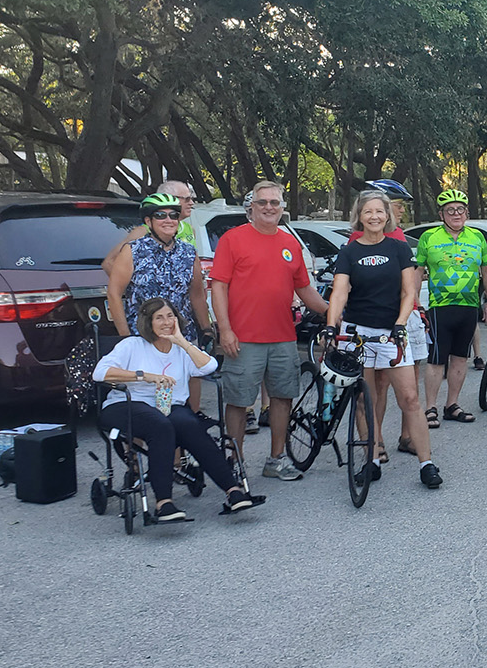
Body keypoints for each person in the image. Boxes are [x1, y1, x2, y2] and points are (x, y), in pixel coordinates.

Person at [93, 297, 255, 520]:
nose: (166, 322)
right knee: (160, 425)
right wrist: (144, 376)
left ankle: (233, 491)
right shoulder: (132, 345)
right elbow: (100, 373)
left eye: (170, 316)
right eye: (159, 317)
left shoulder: (181, 350)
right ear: (147, 322)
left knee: (190, 424)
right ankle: (163, 504)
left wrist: (181, 341)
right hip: (126, 404)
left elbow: (210, 366)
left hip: (167, 405)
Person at [209, 180, 330, 480]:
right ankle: (234, 463)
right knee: (239, 401)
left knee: (282, 397)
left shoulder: (289, 244)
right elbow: (219, 286)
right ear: (251, 206)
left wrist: (333, 311)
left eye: (274, 203)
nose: (268, 207)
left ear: (282, 208)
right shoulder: (232, 239)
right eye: (262, 202)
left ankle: (276, 459)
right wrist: (225, 330)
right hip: (243, 337)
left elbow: (304, 289)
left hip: (283, 337)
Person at [326, 191, 442, 489]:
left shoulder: (399, 248)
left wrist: (401, 323)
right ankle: (372, 460)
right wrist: (330, 325)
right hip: (357, 334)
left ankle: (427, 463)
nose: (374, 216)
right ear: (359, 216)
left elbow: (408, 292)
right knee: (366, 399)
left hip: (391, 332)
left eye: (380, 211)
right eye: (368, 212)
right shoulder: (349, 251)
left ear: (387, 215)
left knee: (410, 398)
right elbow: (340, 292)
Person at [106, 194, 212, 395]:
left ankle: (193, 417)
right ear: (148, 221)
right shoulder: (133, 250)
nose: (169, 220)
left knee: (189, 381)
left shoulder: (189, 252)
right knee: (149, 389)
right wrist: (125, 338)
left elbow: (197, 294)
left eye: (173, 215)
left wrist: (206, 329)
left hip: (180, 334)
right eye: (161, 215)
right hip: (143, 335)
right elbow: (114, 294)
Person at [353, 180, 428, 458]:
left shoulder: (398, 237)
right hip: (380, 319)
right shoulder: (361, 239)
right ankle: (376, 442)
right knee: (380, 383)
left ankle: (407, 436)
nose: (400, 211)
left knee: (410, 377)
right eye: (397, 204)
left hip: (406, 314)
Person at [415, 189, 487, 426]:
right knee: (437, 359)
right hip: (440, 307)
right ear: (442, 214)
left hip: (469, 306)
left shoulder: (476, 237)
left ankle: (452, 405)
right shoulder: (429, 237)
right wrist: (414, 302)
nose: (456, 214)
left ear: (467, 213)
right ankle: (430, 407)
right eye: (450, 210)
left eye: (460, 209)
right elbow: (418, 270)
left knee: (461, 358)